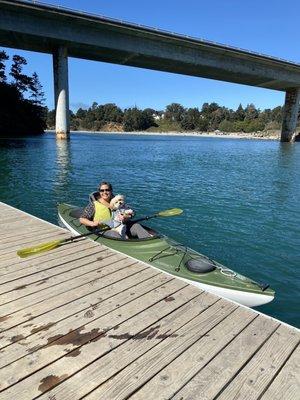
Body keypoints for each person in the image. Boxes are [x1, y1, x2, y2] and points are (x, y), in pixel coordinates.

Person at [79, 181, 152, 239]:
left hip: (122, 227)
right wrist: (93, 223)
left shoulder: (117, 201)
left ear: (111, 191)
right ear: (99, 192)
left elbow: (133, 212)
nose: (105, 192)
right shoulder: (94, 204)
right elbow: (82, 219)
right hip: (105, 230)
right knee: (114, 234)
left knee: (137, 226)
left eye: (107, 190)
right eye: (102, 190)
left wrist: (127, 216)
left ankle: (150, 244)